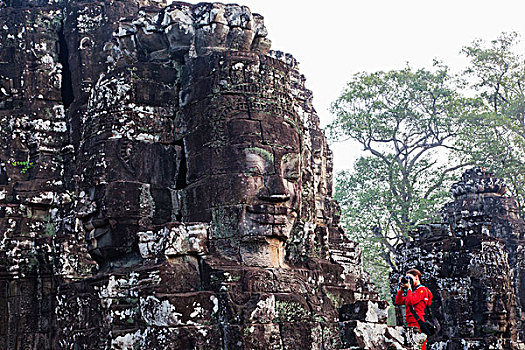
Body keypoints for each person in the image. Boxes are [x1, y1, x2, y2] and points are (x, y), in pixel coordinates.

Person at [395, 268, 433, 350]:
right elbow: (398, 301)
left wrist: (408, 288)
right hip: (410, 322)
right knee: (411, 345)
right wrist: (401, 288)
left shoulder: (422, 290)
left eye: (409, 278)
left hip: (418, 321)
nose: (408, 281)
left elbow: (411, 301)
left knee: (418, 345)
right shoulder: (413, 292)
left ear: (416, 277)